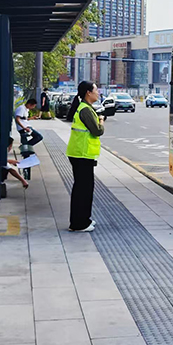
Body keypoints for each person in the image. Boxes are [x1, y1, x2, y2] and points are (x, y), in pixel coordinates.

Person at [65, 81, 105, 232]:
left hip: (81, 154)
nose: (98, 92)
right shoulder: (86, 110)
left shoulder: (85, 107)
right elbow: (97, 131)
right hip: (81, 155)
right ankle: (78, 223)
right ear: (88, 93)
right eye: (96, 90)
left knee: (84, 189)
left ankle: (84, 220)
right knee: (83, 190)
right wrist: (101, 121)